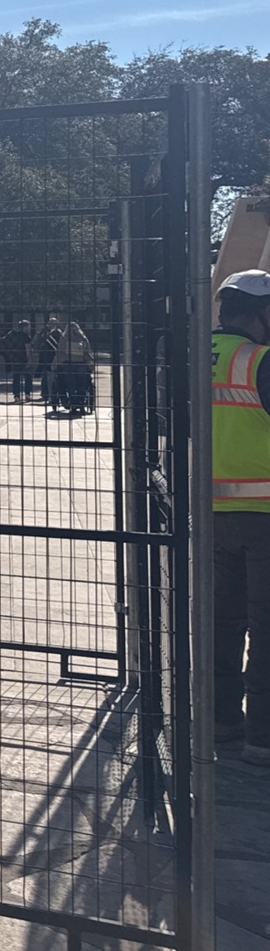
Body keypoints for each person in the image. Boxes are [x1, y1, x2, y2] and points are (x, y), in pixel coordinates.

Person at [211, 269, 270, 765]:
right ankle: (262, 737)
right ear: (260, 313)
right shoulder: (261, 361)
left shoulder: (193, 356)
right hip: (264, 514)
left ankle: (219, 723)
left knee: (220, 625)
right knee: (266, 627)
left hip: (210, 511)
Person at [54, 321, 93, 413]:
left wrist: (56, 364)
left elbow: (59, 352)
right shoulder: (83, 338)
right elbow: (88, 352)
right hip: (81, 365)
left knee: (69, 384)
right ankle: (81, 402)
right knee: (82, 384)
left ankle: (72, 403)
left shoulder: (64, 338)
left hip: (67, 365)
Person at [0, 320, 36, 401]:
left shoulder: (11, 334)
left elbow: (3, 343)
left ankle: (16, 395)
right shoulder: (26, 336)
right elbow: (28, 348)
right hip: (23, 359)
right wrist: (30, 360)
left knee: (16, 377)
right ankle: (27, 394)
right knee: (28, 377)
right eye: (28, 327)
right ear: (25, 327)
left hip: (14, 359)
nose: (29, 329)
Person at [36, 314, 65, 408]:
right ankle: (46, 393)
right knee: (46, 377)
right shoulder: (45, 333)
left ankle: (51, 395)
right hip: (46, 358)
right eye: (50, 323)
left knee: (51, 378)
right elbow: (38, 342)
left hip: (53, 358)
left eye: (53, 323)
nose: (50, 325)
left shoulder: (57, 333)